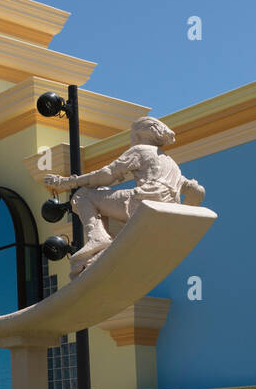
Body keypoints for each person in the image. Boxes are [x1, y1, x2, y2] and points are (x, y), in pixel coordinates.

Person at [43, 116, 205, 274]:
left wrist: (67, 183)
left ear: (139, 135)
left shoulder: (140, 150)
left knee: (82, 195)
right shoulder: (171, 163)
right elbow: (197, 191)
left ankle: (97, 237)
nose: (131, 141)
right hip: (163, 212)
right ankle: (102, 252)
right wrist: (182, 216)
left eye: (131, 136)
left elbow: (105, 176)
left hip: (142, 203)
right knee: (103, 196)